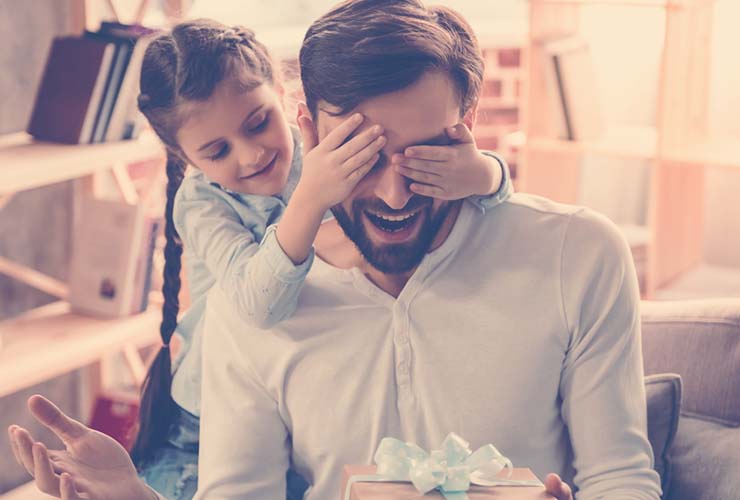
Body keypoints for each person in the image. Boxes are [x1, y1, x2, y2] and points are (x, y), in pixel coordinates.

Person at [8, 1, 662, 499]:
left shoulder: (580, 256)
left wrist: (488, 173)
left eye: (423, 151)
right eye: (363, 152)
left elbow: (621, 475)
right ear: (312, 130)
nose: (395, 190)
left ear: (465, 123)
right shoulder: (255, 296)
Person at [121, 18, 513, 500]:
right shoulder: (201, 203)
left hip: (296, 404)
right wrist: (311, 199)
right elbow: (259, 307)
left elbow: (491, 199)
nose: (250, 155)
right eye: (217, 150)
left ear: (283, 96)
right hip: (206, 422)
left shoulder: (320, 150)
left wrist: (484, 172)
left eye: (258, 122)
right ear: (184, 157)